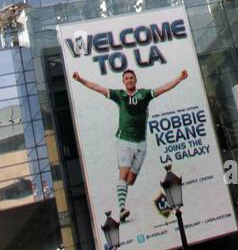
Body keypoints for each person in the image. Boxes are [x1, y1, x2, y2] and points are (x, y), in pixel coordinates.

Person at [72, 66, 188, 222]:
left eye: (131, 78)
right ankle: (121, 209)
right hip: (124, 141)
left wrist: (179, 78)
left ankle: (122, 189)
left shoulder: (144, 94)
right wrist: (80, 80)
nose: (129, 80)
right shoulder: (119, 95)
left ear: (135, 80)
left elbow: (162, 88)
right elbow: (98, 88)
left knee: (130, 180)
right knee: (123, 173)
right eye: (126, 78)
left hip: (141, 143)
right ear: (123, 82)